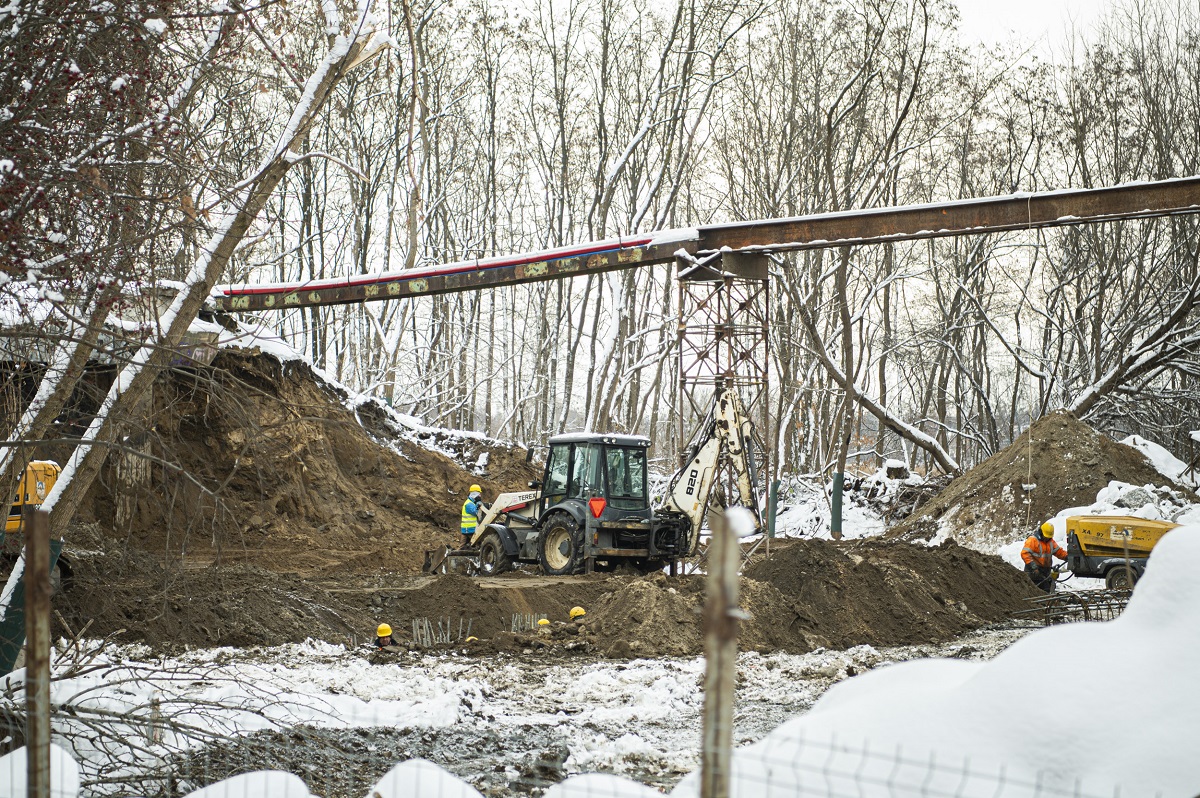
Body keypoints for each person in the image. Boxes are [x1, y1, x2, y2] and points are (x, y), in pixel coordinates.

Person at [1022, 521, 1068, 592]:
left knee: (1047, 589)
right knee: (1033, 590)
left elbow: (1059, 552)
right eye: (1046, 537)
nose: (1047, 539)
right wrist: (1033, 566)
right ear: (1041, 532)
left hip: (1045, 571)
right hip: (1033, 571)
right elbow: (1025, 553)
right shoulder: (1033, 540)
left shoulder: (1050, 542)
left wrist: (1067, 557)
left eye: (1048, 537)